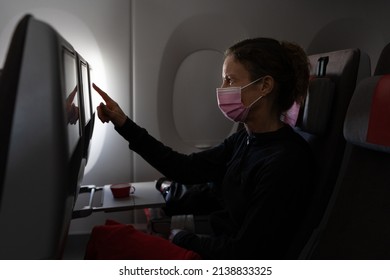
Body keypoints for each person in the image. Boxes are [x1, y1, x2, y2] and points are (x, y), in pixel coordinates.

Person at [93, 37, 314, 259]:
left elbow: (245, 252)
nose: (222, 89)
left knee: (107, 239)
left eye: (229, 80)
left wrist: (182, 238)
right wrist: (123, 123)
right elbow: (184, 168)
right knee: (108, 234)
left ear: (264, 86)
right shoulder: (244, 140)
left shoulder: (285, 161)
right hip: (216, 244)